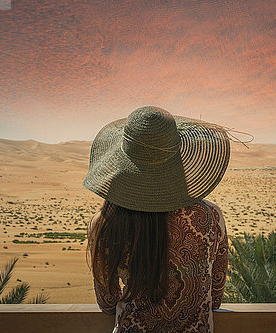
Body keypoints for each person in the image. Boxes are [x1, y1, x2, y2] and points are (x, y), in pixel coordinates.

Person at [84, 106, 230, 333]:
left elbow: (107, 303)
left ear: (122, 162)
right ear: (179, 158)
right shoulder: (210, 217)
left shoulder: (105, 224)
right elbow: (216, 297)